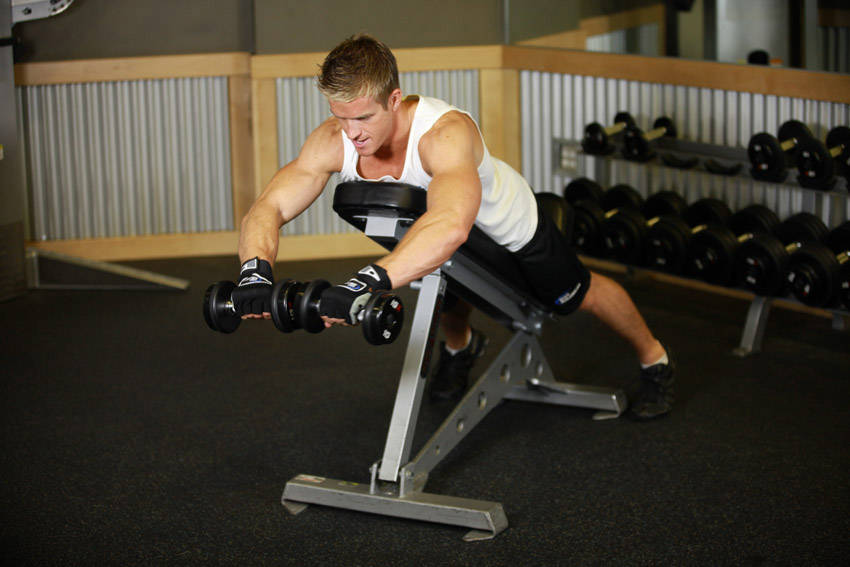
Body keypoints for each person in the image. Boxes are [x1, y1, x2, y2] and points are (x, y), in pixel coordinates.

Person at [232, 34, 674, 420]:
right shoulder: (334, 138)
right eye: (341, 117)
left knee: (576, 295)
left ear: (394, 99)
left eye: (363, 118)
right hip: (444, 234)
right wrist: (254, 271)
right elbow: (269, 206)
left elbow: (450, 225)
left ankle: (656, 360)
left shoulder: (443, 134)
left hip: (514, 232)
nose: (352, 133)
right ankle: (461, 349)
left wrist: (366, 282)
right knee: (445, 281)